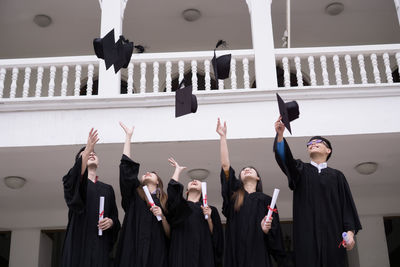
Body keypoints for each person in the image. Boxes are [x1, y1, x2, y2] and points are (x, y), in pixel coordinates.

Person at [273, 116, 362, 267]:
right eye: (310, 143)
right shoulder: (301, 170)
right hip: (306, 237)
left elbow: (347, 207)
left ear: (328, 150)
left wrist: (351, 235)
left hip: (332, 236)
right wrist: (280, 135)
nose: (313, 144)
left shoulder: (337, 176)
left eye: (318, 142)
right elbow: (286, 161)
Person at [216, 118, 286, 267]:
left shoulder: (267, 201)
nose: (246, 169)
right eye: (243, 170)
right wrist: (223, 137)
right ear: (239, 178)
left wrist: (266, 230)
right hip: (235, 253)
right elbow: (225, 165)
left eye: (251, 169)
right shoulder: (234, 196)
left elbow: (276, 234)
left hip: (258, 253)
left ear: (258, 178)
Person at [62, 128, 120, 267]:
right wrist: (87, 148)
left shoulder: (107, 189)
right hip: (79, 243)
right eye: (87, 153)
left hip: (99, 246)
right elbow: (72, 185)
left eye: (93, 153)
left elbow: (116, 220)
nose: (91, 153)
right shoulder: (75, 183)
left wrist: (111, 222)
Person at [115, 122, 169, 267]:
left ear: (158, 182)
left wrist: (162, 216)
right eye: (145, 173)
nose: (147, 173)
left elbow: (171, 232)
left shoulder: (165, 201)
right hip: (133, 247)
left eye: (152, 173)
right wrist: (128, 137)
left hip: (156, 251)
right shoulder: (134, 195)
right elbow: (126, 170)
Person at [166, 157, 223, 267]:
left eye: (198, 182)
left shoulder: (211, 209)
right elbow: (172, 194)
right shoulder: (180, 206)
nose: (194, 181)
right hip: (181, 251)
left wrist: (209, 218)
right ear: (186, 191)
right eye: (191, 181)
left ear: (203, 191)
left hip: (203, 251)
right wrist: (177, 170)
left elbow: (216, 237)